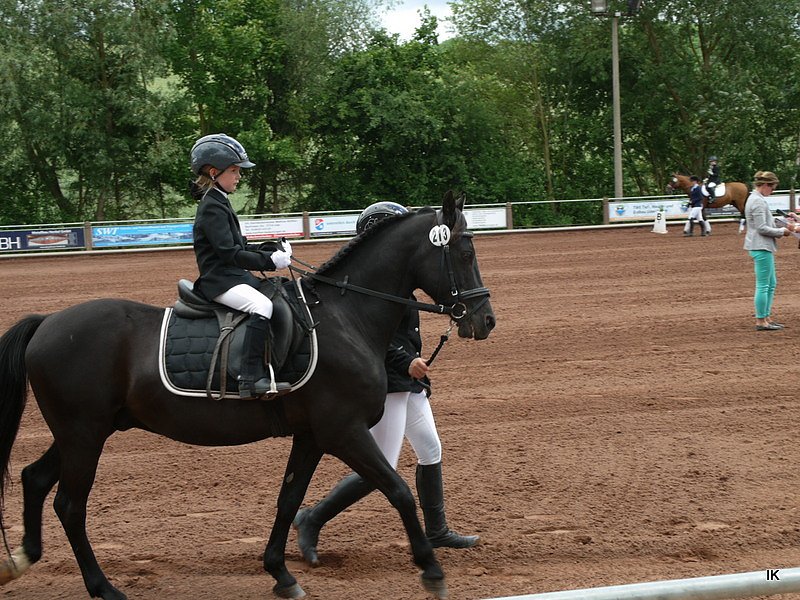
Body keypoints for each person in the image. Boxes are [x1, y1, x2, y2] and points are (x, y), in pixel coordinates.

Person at [292, 201, 478, 566]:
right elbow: (374, 340)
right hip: (392, 381)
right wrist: (406, 361)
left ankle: (437, 530)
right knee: (382, 465)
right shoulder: (370, 289)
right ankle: (311, 519)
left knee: (430, 448)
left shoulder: (397, 281)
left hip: (410, 383)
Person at [189, 133, 292, 397]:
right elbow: (229, 253)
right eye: (234, 171)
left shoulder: (220, 202)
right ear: (214, 172)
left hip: (233, 276)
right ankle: (249, 377)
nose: (238, 176)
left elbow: (242, 245)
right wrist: (269, 263)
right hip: (220, 281)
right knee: (263, 306)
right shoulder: (212, 206)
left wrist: (271, 249)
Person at [743, 170, 795, 331]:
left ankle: (766, 317)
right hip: (761, 245)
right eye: (772, 188)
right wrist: (783, 232)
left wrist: (786, 223)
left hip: (761, 245)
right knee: (764, 285)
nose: (772, 192)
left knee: (771, 283)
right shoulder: (758, 201)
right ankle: (761, 320)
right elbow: (762, 228)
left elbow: (769, 220)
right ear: (765, 185)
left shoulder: (756, 198)